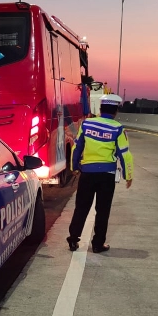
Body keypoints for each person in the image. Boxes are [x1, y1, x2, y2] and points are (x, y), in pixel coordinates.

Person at [67, 94, 134, 253]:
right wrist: (128, 175)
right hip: (107, 175)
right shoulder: (117, 128)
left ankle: (73, 240)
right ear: (116, 111)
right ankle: (97, 244)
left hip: (87, 173)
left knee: (81, 207)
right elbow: (124, 153)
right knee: (103, 210)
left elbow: (77, 147)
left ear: (100, 109)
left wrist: (74, 166)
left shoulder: (87, 124)